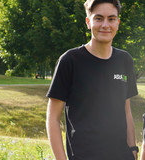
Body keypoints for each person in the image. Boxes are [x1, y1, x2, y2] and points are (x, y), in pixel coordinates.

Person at [46, 0, 139, 159]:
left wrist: (133, 149)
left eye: (111, 19)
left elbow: (126, 110)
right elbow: (52, 118)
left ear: (118, 23)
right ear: (88, 22)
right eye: (98, 18)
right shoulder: (70, 61)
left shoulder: (125, 60)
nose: (105, 25)